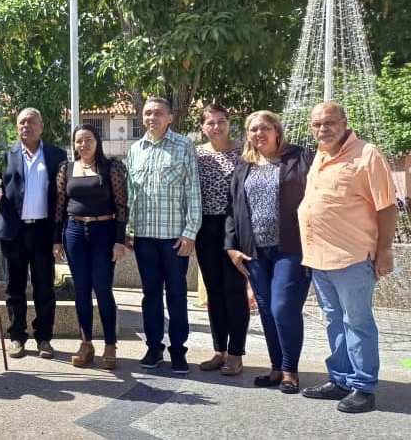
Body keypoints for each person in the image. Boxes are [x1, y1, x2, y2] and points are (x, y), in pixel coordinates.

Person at [299, 102, 398, 413]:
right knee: (333, 321)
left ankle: (364, 387)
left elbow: (386, 207)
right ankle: (340, 378)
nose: (322, 129)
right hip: (319, 257)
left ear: (344, 121)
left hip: (352, 258)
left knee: (358, 322)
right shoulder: (320, 154)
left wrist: (384, 250)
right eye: (317, 124)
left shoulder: (367, 155)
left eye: (329, 122)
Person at [225, 111, 313, 394]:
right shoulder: (243, 166)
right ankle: (276, 369)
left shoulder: (300, 159)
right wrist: (232, 248)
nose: (258, 134)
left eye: (264, 128)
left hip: (291, 247)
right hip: (254, 252)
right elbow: (232, 209)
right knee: (265, 310)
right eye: (253, 129)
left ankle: (290, 371)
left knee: (282, 307)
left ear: (277, 131)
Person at [125, 97, 201, 374]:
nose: (151, 118)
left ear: (170, 117)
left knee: (177, 295)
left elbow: (193, 191)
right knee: (150, 295)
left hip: (174, 238)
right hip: (144, 238)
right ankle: (154, 346)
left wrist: (190, 233)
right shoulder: (135, 150)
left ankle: (178, 350)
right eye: (147, 113)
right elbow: (132, 195)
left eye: (157, 113)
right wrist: (129, 231)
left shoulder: (183, 146)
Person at [0, 108, 68, 359]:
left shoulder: (57, 155)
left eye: (31, 121)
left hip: (43, 232)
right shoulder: (5, 155)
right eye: (22, 122)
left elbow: (61, 198)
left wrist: (59, 236)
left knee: (44, 287)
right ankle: (16, 337)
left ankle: (44, 338)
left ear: (41, 126)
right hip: (14, 232)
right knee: (14, 288)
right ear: (16, 127)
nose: (26, 125)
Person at [54, 124, 128, 369]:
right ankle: (86, 344)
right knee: (82, 290)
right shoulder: (66, 168)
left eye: (88, 140)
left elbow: (122, 206)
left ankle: (110, 344)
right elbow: (59, 206)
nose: (83, 145)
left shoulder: (112, 168)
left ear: (97, 141)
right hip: (75, 233)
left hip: (104, 233)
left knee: (103, 289)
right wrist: (57, 239)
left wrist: (119, 240)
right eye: (78, 141)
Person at [194, 103, 249, 376]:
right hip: (205, 228)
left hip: (235, 228)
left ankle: (237, 353)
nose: (216, 127)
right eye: (210, 123)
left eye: (221, 121)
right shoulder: (197, 155)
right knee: (214, 293)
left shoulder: (244, 151)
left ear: (229, 123)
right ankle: (220, 350)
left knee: (234, 291)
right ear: (203, 127)